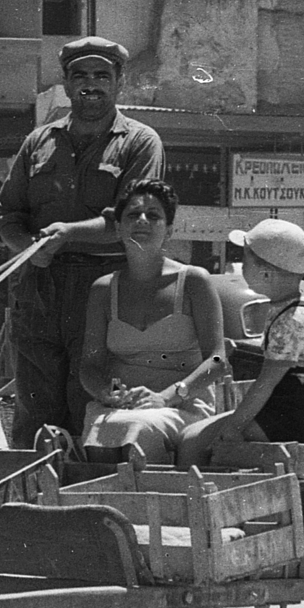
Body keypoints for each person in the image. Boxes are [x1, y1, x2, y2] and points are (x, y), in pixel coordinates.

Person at [0, 36, 164, 447]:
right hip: (38, 289)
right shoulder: (38, 142)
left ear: (119, 82)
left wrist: (70, 234)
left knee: (89, 405)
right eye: (80, 76)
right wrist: (26, 247)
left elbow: (135, 222)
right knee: (34, 410)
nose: (91, 84)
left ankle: (83, 502)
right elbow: (5, 217)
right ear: (67, 85)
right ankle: (31, 502)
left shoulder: (141, 143)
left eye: (102, 75)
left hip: (103, 290)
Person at [77, 179, 226, 465]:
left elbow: (218, 360)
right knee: (102, 428)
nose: (142, 221)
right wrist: (106, 394)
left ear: (169, 231)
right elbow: (89, 366)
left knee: (138, 429)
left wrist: (168, 397)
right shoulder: (104, 290)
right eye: (132, 215)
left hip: (184, 405)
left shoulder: (194, 281)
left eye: (153, 216)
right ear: (118, 228)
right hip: (123, 407)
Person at [177, 219, 304, 465]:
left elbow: (266, 382)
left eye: (246, 260)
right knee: (193, 436)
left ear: (265, 273)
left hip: (287, 421)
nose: (241, 267)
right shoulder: (292, 306)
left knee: (194, 444)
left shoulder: (292, 321)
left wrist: (233, 427)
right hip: (286, 413)